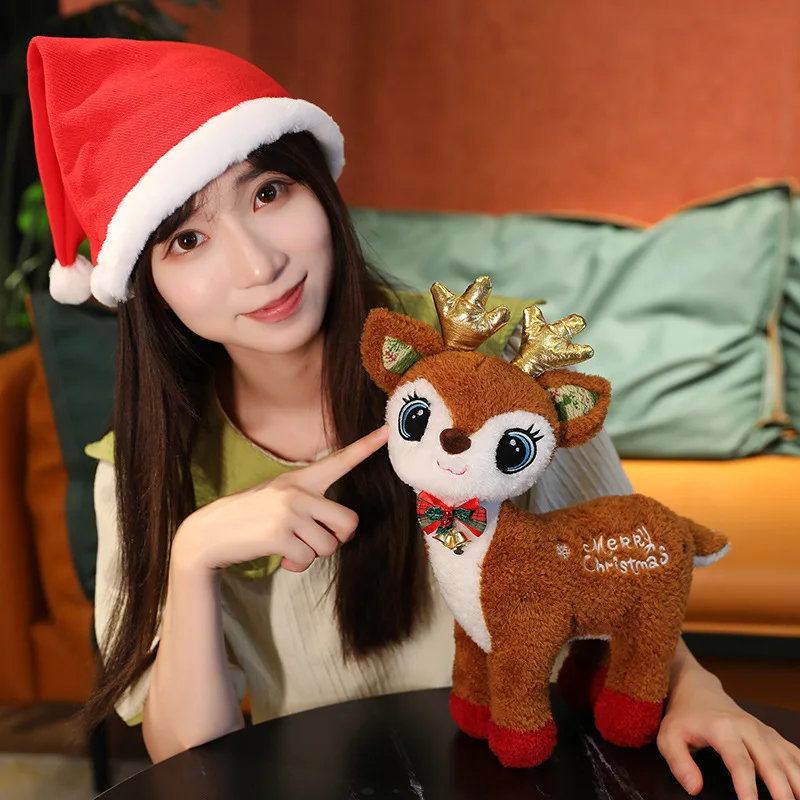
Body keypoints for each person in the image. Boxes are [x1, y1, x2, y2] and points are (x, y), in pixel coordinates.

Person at [27, 35, 800, 800]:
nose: (258, 265)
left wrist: (697, 688)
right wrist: (195, 553)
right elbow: (189, 760)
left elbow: (616, 562)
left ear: (319, 186)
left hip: (539, 766)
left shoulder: (494, 363)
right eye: (188, 239)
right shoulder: (148, 464)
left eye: (269, 192)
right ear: (146, 285)